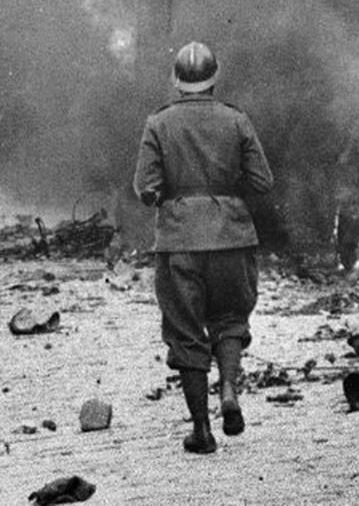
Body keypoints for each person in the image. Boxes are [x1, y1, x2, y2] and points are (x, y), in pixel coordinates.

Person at [133, 41, 274, 454]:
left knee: (185, 331)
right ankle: (228, 389)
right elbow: (262, 181)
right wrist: (226, 193)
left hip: (180, 241)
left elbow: (145, 188)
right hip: (232, 236)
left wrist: (173, 194)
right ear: (214, 79)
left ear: (177, 81)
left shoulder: (159, 123)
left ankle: (202, 430)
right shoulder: (236, 120)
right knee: (230, 319)